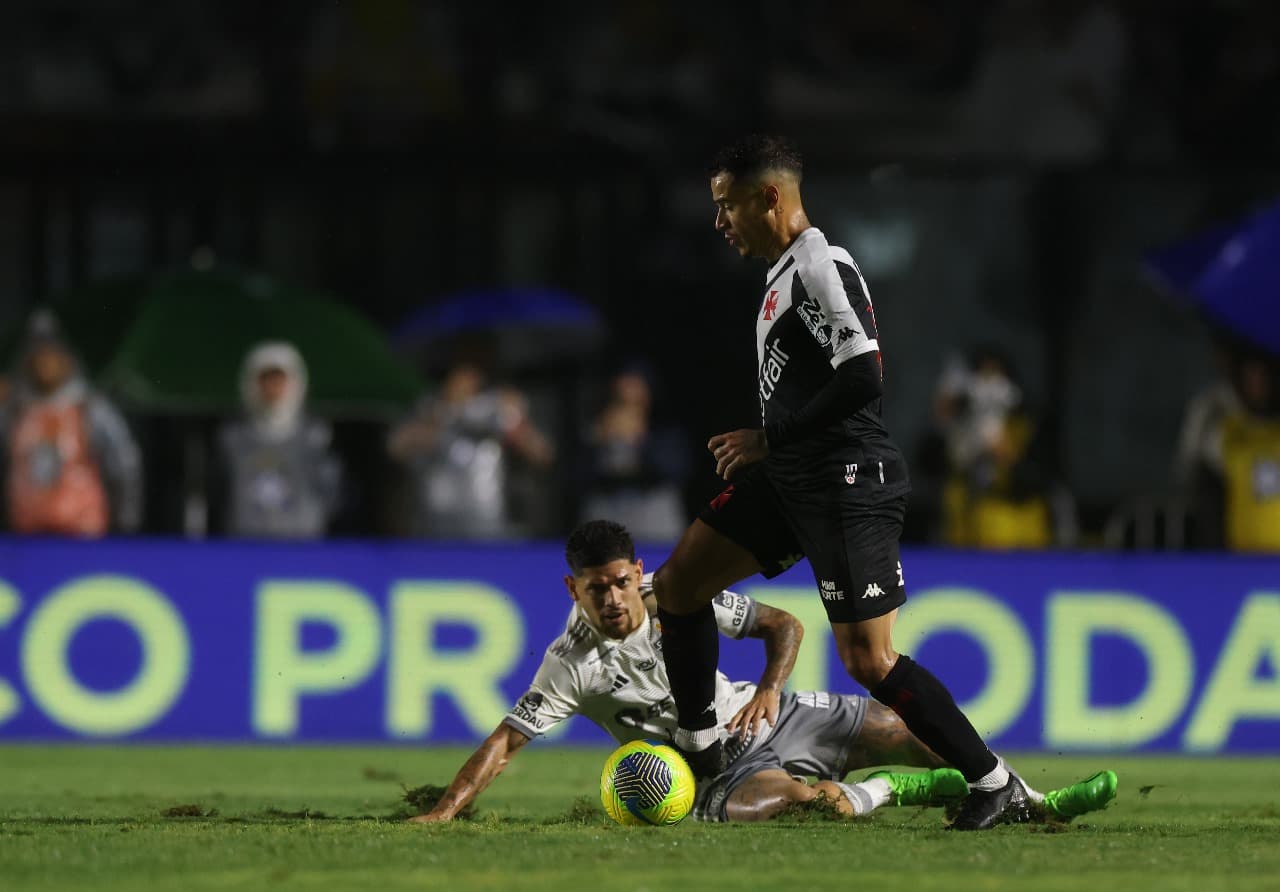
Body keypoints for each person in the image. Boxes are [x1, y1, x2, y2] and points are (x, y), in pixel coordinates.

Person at [650, 134, 1029, 831]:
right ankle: (702, 746)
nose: (720, 221)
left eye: (727, 204)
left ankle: (993, 781)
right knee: (677, 586)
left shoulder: (820, 264)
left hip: (845, 479)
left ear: (769, 197)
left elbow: (864, 375)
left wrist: (771, 438)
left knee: (869, 659)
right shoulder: (780, 275)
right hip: (792, 476)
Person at [411, 520, 1116, 825]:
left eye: (622, 581)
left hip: (767, 711)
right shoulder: (572, 664)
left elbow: (785, 623)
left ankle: (1029, 799)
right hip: (719, 771)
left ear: (637, 572)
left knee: (905, 725)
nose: (615, 598)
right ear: (575, 591)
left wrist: (772, 689)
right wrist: (444, 810)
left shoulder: (676, 593)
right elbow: (506, 741)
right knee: (806, 807)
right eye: (597, 588)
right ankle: (887, 793)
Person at [1, 310, 142, 536]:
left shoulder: (89, 407)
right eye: (38, 359)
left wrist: (126, 517)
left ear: (66, 361)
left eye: (51, 358)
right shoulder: (16, 409)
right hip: (25, 530)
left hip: (82, 529)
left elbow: (123, 460)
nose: (45, 366)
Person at [388, 357, 553, 540]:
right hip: (434, 532)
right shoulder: (428, 406)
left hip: (490, 531)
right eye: (461, 372)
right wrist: (442, 418)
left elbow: (543, 455)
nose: (467, 380)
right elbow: (395, 447)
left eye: (474, 374)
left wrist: (517, 424)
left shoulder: (495, 410)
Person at [217, 342, 342, 539]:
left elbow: (331, 494)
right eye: (265, 380)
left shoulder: (315, 437)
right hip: (244, 544)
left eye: (279, 380)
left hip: (301, 544)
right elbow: (220, 492)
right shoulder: (233, 438)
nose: (273, 389)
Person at [580, 363, 690, 542]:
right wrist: (596, 442)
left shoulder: (664, 430)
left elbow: (676, 470)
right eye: (620, 396)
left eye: (635, 394)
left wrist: (641, 439)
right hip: (607, 512)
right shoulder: (599, 427)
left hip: (653, 515)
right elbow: (576, 478)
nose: (627, 400)